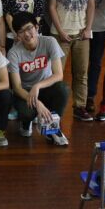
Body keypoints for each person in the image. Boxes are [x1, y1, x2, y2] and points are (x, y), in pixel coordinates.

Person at [47, 0, 96, 122]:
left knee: (81, 73)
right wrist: (60, 31)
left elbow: (91, 4)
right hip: (60, 35)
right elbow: (51, 7)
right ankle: (53, 109)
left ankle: (80, 107)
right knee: (56, 74)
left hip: (82, 33)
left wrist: (88, 28)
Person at [8, 12, 70, 146]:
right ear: (17, 35)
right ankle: (26, 123)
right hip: (25, 93)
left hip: (45, 88)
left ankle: (52, 126)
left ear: (36, 27)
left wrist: (37, 86)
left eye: (29, 28)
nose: (26, 34)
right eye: (21, 31)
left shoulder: (49, 42)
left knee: (63, 88)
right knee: (26, 113)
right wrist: (37, 103)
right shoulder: (13, 53)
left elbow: (58, 75)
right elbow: (17, 87)